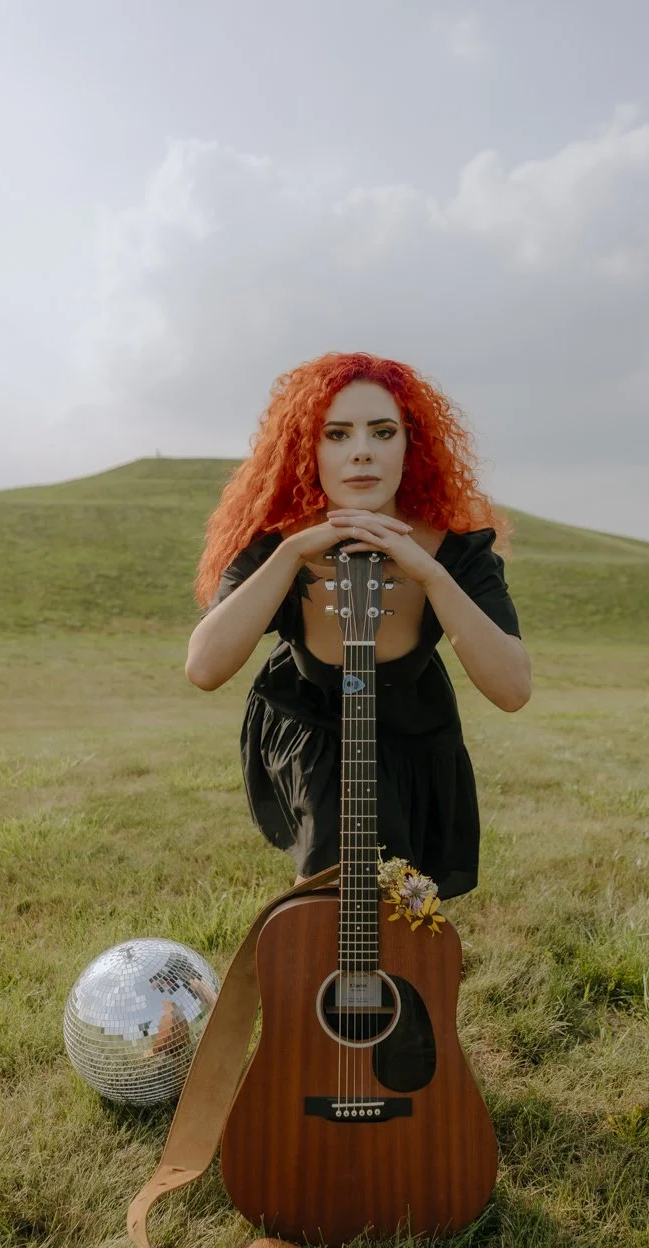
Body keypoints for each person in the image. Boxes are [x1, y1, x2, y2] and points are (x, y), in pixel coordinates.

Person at [187, 351, 532, 900]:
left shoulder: (458, 550)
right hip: (313, 721)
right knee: (331, 889)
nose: (363, 452)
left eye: (383, 431)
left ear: (409, 444)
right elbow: (203, 667)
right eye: (337, 434)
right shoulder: (279, 543)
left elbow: (513, 690)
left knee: (409, 906)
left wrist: (431, 574)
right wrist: (294, 552)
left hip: (416, 728)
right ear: (310, 447)